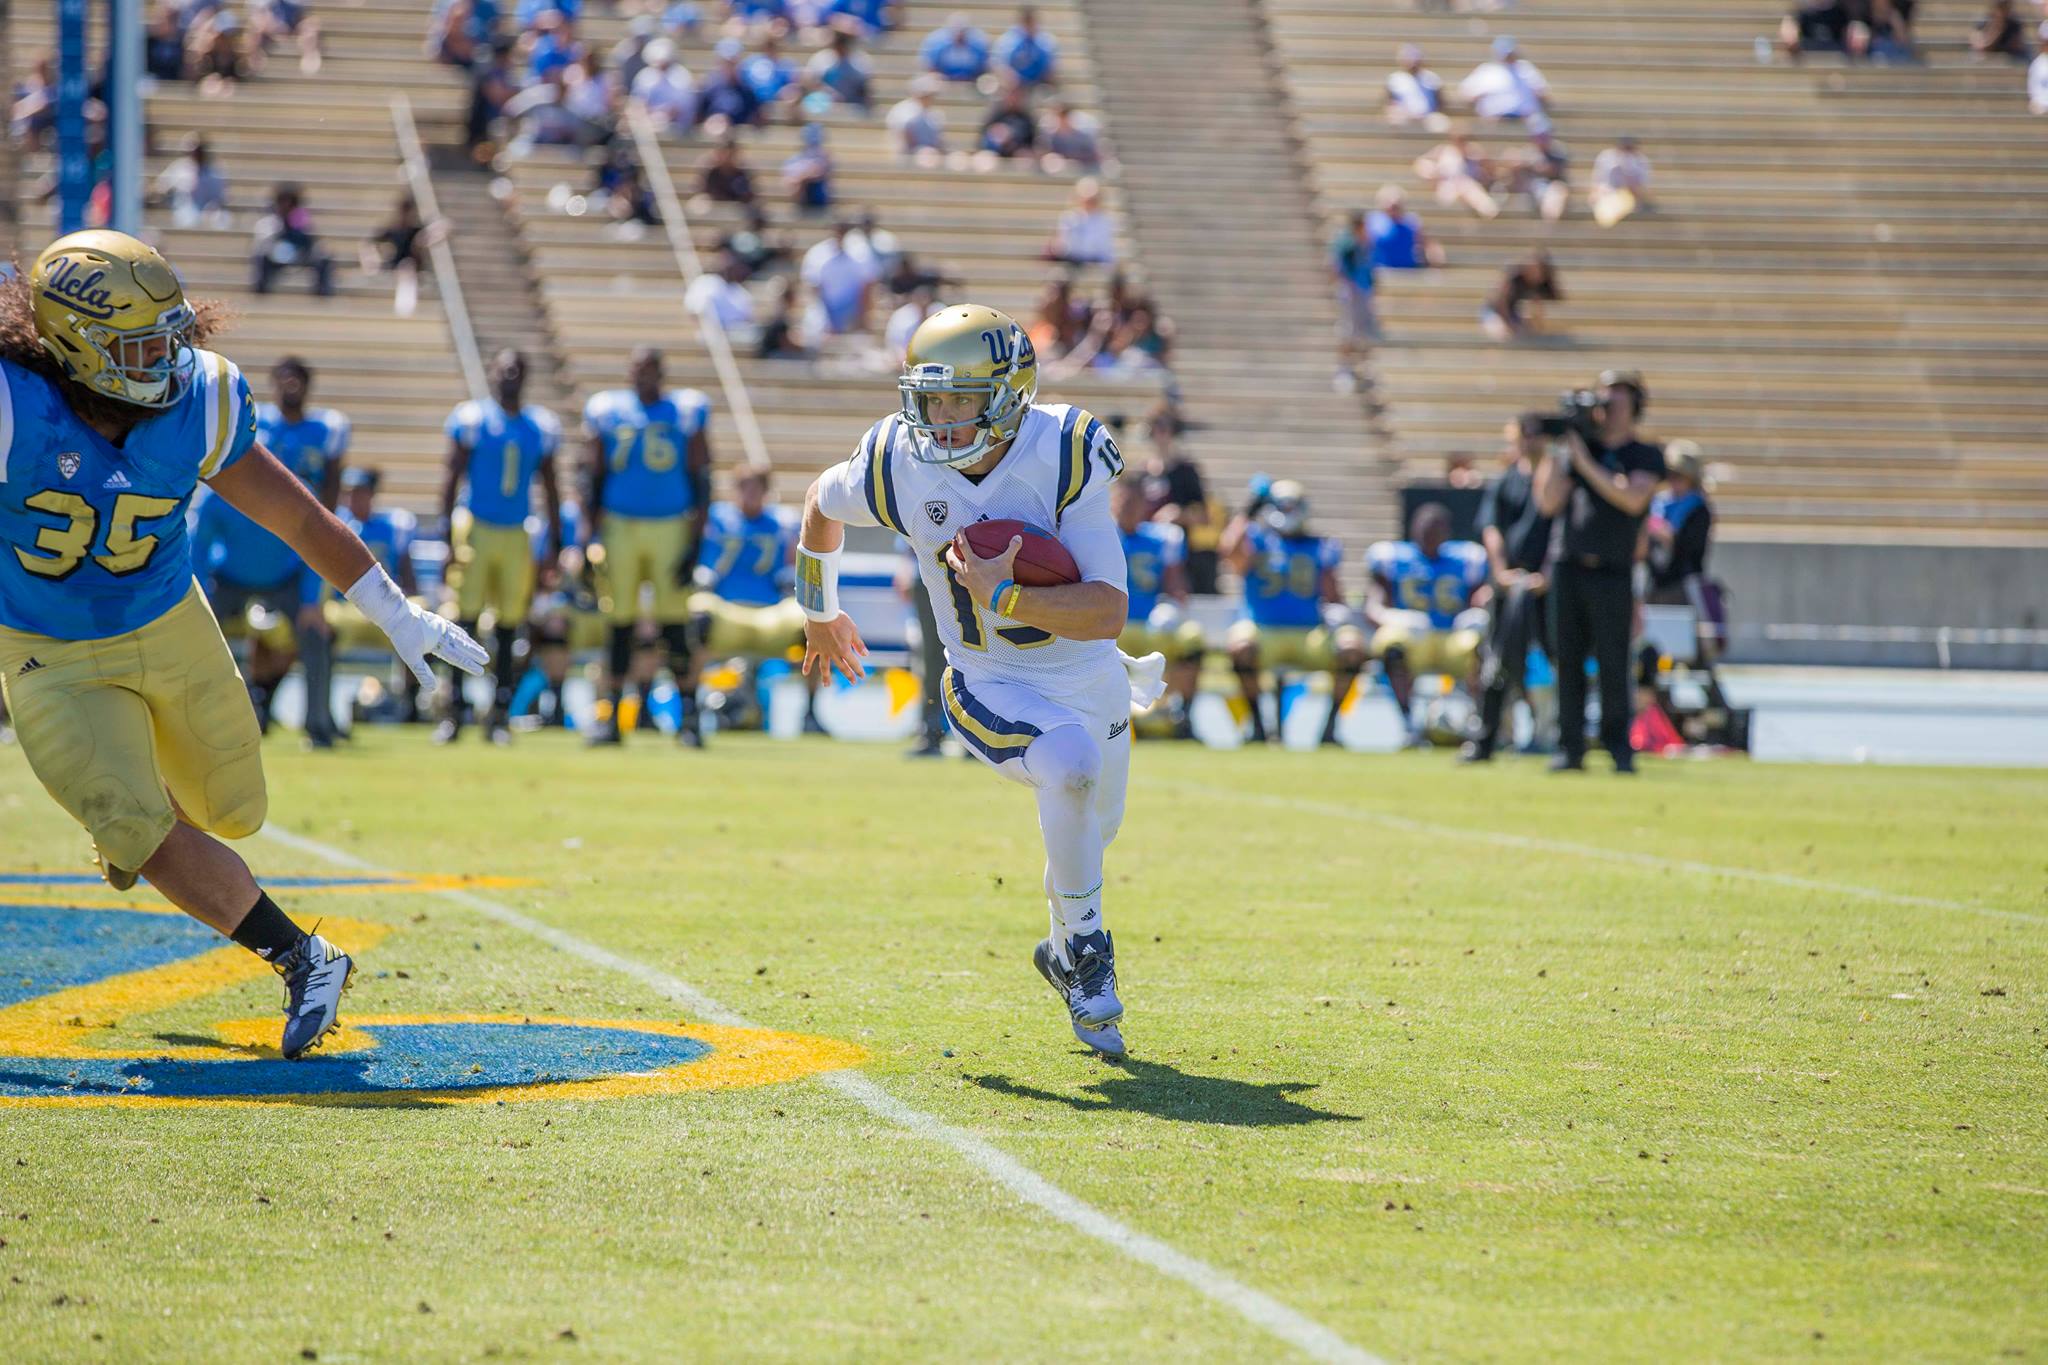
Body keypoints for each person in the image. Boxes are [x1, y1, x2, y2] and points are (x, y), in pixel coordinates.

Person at [0, 230, 484, 1059]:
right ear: (79, 346)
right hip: (46, 647)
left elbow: (296, 514)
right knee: (131, 820)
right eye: (141, 345)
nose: (165, 358)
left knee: (235, 810)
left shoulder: (203, 399)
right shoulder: (13, 407)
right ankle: (303, 956)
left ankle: (143, 807)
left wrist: (397, 611)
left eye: (169, 336)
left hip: (166, 622)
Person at [796, 304, 1152, 1056]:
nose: (941, 419)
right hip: (986, 678)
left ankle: (1061, 950)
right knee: (1070, 765)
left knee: (1088, 830)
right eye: (930, 400)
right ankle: (1089, 956)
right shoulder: (898, 458)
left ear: (1011, 395)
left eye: (960, 400)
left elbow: (1107, 612)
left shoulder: (1066, 452)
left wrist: (1006, 595)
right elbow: (820, 504)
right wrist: (817, 610)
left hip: (1089, 676)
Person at [582, 347, 714, 746]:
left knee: (675, 625)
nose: (643, 377)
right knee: (618, 624)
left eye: (650, 370)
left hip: (671, 526)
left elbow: (701, 475)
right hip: (620, 525)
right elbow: (593, 474)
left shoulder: (685, 411)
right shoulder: (608, 410)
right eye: (637, 369)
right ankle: (611, 717)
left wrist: (696, 542)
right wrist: (588, 536)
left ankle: (688, 718)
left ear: (663, 373)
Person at [1534, 371, 1665, 773]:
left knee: (1614, 662)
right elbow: (1547, 502)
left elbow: (1630, 498)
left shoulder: (1643, 454)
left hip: (1614, 571)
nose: (1605, 411)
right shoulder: (1577, 452)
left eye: (1615, 403)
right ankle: (1569, 746)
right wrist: (1563, 451)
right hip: (1569, 568)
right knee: (1567, 662)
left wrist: (1585, 462)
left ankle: (1618, 747)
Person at [440, 349, 564, 745]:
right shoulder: (473, 419)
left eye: (516, 370)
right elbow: (451, 477)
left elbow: (551, 485)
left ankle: (498, 712)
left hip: (516, 531)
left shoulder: (539, 426)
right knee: (464, 621)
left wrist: (555, 543)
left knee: (510, 625)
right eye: (503, 369)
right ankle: (455, 710)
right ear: (492, 374)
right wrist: (447, 536)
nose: (509, 376)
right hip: (476, 527)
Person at [1221, 479, 1365, 747]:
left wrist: (1337, 611)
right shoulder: (1257, 539)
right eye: (1282, 506)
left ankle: (1330, 727)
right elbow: (1228, 551)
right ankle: (1259, 726)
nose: (1288, 512)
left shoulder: (1320, 545)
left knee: (1352, 648)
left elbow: (1333, 593)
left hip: (1309, 634)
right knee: (1241, 645)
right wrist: (1247, 511)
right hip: (1263, 632)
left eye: (1292, 506)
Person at [690, 467, 817, 728]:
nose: (749, 495)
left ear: (766, 491)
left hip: (769, 616)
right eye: (744, 488)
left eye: (755, 488)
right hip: (726, 613)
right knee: (695, 620)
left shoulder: (782, 524)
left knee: (814, 627)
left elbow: (795, 565)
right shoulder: (716, 520)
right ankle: (689, 705)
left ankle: (811, 713)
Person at [1463, 414, 1555, 763]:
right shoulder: (1506, 483)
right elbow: (1492, 530)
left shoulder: (1555, 482)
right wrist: (1501, 572)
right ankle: (1486, 738)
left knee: (1555, 660)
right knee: (1497, 658)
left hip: (1546, 588)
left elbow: (1559, 528)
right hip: (1509, 586)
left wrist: (1546, 574)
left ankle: (1554, 734)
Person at [1363, 504, 1490, 747]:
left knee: (1480, 647)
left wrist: (1477, 612)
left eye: (1435, 529)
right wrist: (1396, 617)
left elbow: (1480, 597)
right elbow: (1373, 607)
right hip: (1416, 639)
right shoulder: (1392, 557)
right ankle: (1408, 719)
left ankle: (1479, 719)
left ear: (1447, 532)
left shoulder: (1466, 558)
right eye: (1424, 529)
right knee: (1393, 644)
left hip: (1451, 638)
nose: (1429, 535)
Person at [1112, 479, 1203, 734]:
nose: (1128, 508)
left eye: (1134, 502)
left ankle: (1182, 714)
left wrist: (1171, 606)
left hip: (1150, 627)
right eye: (1124, 500)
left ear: (1144, 505)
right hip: (1108, 627)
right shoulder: (1098, 535)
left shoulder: (1163, 537)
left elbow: (1177, 587)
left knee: (1191, 638)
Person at [1645, 439, 1714, 605]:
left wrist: (1668, 535)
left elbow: (1692, 548)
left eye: (1680, 476)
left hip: (1683, 586)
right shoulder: (1659, 504)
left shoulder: (1698, 508)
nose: (1674, 481)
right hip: (1655, 583)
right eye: (1671, 475)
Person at [250, 184, 336, 297]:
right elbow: (264, 241)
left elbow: (309, 239)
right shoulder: (270, 220)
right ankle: (260, 288)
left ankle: (323, 291)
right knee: (261, 256)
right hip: (275, 255)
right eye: (283, 201)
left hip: (300, 254)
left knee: (323, 258)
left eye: (289, 202)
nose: (286, 205)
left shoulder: (301, 218)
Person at [800, 220, 879, 336]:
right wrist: (826, 318)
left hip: (854, 310)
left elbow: (868, 285)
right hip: (825, 311)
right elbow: (813, 288)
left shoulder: (861, 252)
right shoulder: (817, 254)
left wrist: (863, 316)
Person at [1328, 210, 1377, 393]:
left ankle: (1361, 368)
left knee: (1363, 332)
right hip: (1351, 292)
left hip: (1362, 291)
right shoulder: (1347, 243)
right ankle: (1344, 369)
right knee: (1349, 331)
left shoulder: (1364, 243)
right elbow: (1338, 267)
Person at [1413, 129, 1500, 219]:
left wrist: (1482, 159)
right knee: (1464, 184)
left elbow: (1491, 172)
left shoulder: (1474, 154)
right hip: (1447, 191)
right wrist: (1434, 175)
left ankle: (1487, 209)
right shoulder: (1443, 151)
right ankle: (1488, 209)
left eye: (1463, 140)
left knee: (1465, 184)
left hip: (1469, 191)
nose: (1460, 143)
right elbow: (1420, 164)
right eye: (1458, 140)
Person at [1458, 36, 1550, 121]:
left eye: (1511, 53)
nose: (1509, 56)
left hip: (1523, 118)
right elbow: (1467, 92)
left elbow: (1542, 91)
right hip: (1496, 119)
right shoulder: (1487, 70)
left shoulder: (1526, 68)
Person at [1481, 250, 1562, 343]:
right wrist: (1509, 324)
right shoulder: (1513, 276)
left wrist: (1536, 329)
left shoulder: (1536, 284)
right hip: (1493, 311)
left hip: (1513, 312)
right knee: (1502, 334)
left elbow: (1537, 309)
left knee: (1527, 335)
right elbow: (1500, 302)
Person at [153, 134, 231, 229]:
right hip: (183, 210)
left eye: (198, 150)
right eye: (192, 151)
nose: (195, 154)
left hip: (208, 212)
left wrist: (212, 207)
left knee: (221, 218)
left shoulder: (214, 172)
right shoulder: (178, 168)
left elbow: (220, 197)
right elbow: (161, 187)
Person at [1367, 185, 1444, 270]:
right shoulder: (1373, 221)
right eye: (1389, 201)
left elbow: (1425, 242)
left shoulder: (1411, 221)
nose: (1393, 205)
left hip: (1408, 271)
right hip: (1382, 271)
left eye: (1396, 204)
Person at [696, 39, 764, 128]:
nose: (730, 66)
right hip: (713, 134)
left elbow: (756, 117)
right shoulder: (710, 86)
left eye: (733, 62)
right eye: (727, 62)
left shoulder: (748, 89)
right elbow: (699, 116)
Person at [1046, 178, 1115, 264]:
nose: (1089, 202)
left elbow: (1104, 248)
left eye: (1092, 199)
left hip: (1094, 260)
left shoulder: (1104, 220)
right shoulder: (1069, 217)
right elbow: (1065, 244)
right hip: (1072, 260)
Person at [687, 252, 758, 335]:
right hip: (711, 334)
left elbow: (748, 318)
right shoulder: (705, 282)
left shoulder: (741, 291)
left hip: (738, 333)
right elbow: (696, 311)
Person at [631, 38, 696, 129]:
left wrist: (664, 115)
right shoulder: (644, 76)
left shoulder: (682, 76)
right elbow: (638, 103)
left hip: (677, 126)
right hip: (648, 123)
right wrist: (649, 117)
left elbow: (683, 106)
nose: (660, 65)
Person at [1507, 129, 1570, 222]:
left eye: (1543, 138)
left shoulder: (1557, 152)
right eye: (1538, 138)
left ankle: (1551, 222)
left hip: (1552, 187)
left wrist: (1536, 166)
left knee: (1556, 191)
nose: (1541, 141)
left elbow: (1554, 171)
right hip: (1533, 189)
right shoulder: (1528, 152)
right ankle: (1550, 223)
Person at [1591, 136, 1654, 226]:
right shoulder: (1606, 157)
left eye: (1629, 149)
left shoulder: (1641, 161)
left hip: (1630, 194)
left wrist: (1628, 172)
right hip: (1608, 193)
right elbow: (1598, 180)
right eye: (1624, 148)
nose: (1626, 152)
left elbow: (1642, 187)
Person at [804, 29, 872, 109]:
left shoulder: (860, 60)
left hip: (852, 103)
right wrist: (830, 93)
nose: (840, 49)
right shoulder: (821, 58)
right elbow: (809, 82)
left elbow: (864, 88)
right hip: (823, 102)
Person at [1385, 43, 1447, 130]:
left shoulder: (1431, 77)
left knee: (1441, 124)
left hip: (1428, 115)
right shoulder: (1395, 79)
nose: (1412, 64)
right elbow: (1390, 101)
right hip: (1404, 115)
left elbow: (1440, 101)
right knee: (1394, 118)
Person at [994, 7, 1060, 87]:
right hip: (1015, 84)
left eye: (1031, 21)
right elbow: (999, 63)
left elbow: (1052, 67)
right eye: (1026, 22)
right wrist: (1011, 78)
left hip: (1039, 83)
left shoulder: (1046, 40)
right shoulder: (1008, 40)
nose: (1029, 25)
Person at [887, 76, 948, 159]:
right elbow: (903, 140)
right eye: (926, 95)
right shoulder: (902, 110)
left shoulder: (935, 114)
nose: (930, 98)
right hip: (911, 155)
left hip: (931, 154)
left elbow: (939, 142)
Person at [921, 13, 990, 82]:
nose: (959, 34)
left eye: (962, 31)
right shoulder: (937, 44)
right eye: (956, 31)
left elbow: (984, 68)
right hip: (944, 82)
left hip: (971, 82)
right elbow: (930, 67)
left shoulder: (978, 44)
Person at [783, 123, 835, 215]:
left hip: (819, 201)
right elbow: (790, 182)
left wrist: (804, 176)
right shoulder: (794, 159)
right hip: (801, 199)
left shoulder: (824, 158)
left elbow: (819, 172)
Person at [981, 82, 1039, 160]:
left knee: (1026, 159)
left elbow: (1032, 142)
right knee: (985, 161)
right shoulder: (996, 115)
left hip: (1019, 154)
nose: (1014, 98)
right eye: (1011, 94)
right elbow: (984, 138)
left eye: (1017, 95)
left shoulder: (1026, 118)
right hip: (996, 153)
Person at [1039, 102, 1102, 170]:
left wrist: (1076, 159)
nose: (1061, 120)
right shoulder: (1051, 137)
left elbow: (1095, 156)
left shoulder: (1082, 137)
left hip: (1082, 169)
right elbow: (1044, 155)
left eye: (1063, 117)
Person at [698, 138, 755, 206]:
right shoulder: (712, 172)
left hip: (737, 208)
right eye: (723, 153)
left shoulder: (741, 173)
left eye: (731, 154)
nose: (727, 157)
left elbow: (746, 196)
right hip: (715, 207)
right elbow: (706, 191)